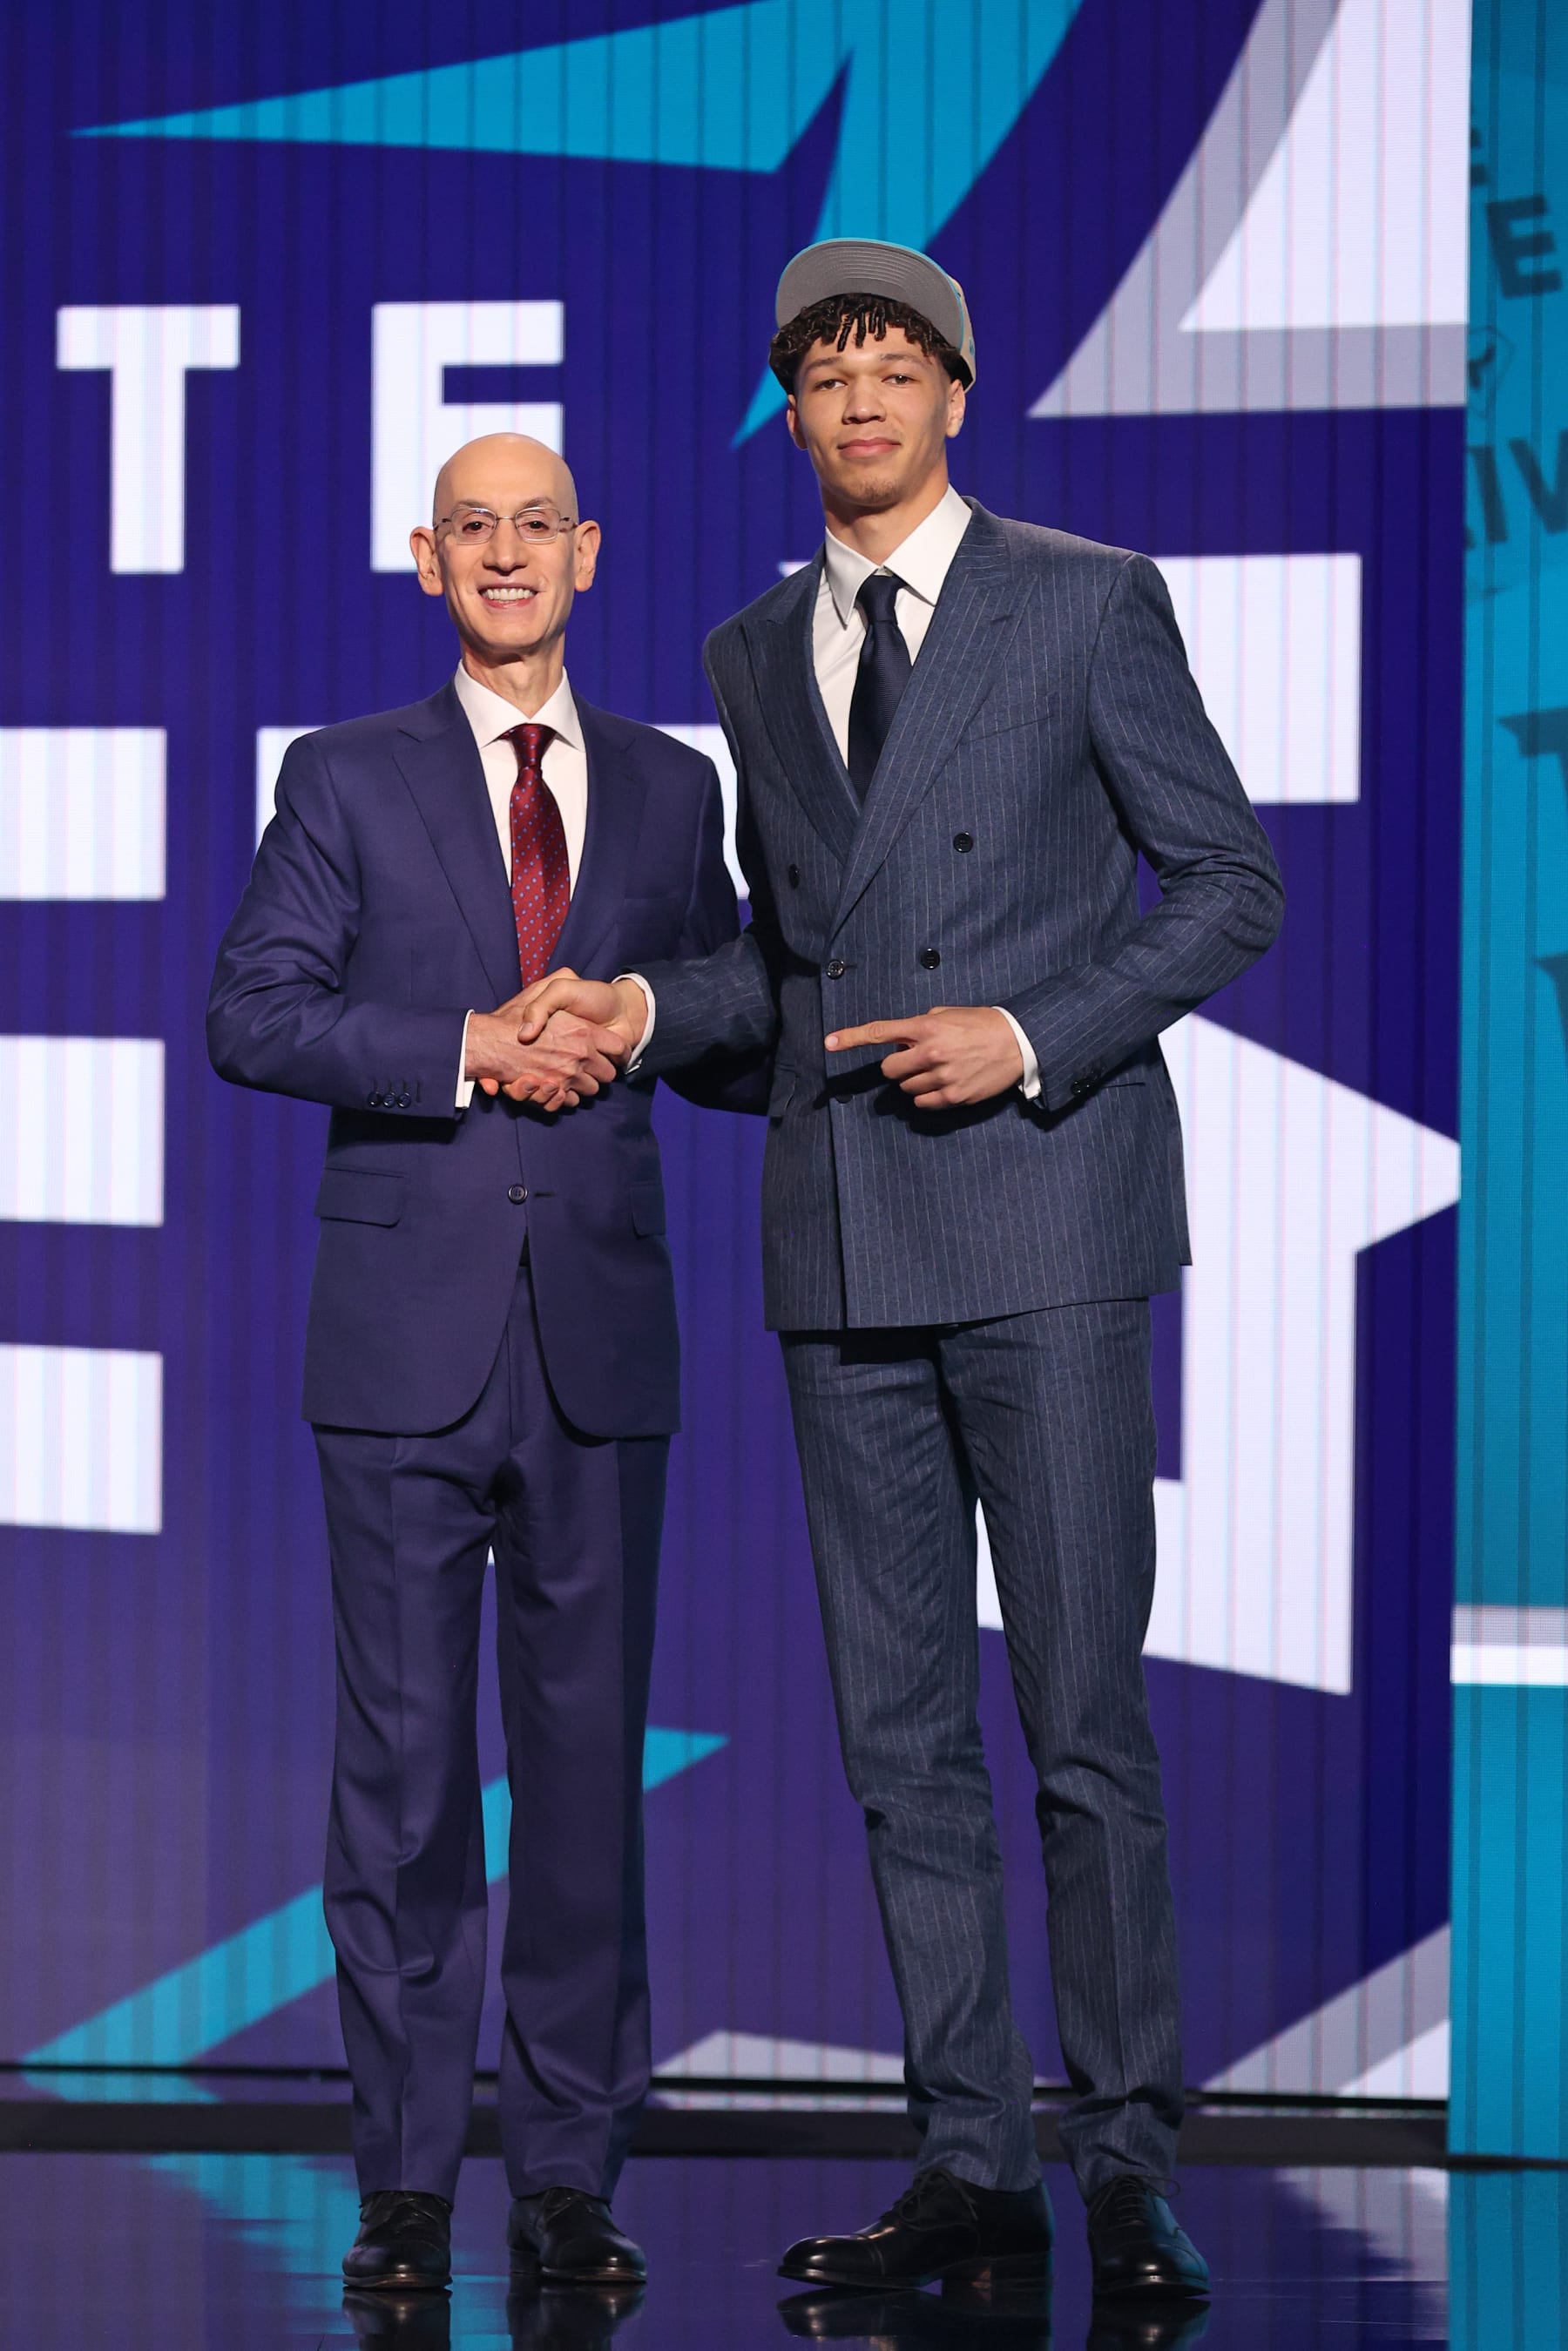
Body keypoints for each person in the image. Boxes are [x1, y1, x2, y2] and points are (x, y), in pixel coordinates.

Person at [516, 241, 1284, 2305]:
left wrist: (1032, 1034)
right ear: (793, 410)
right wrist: (641, 1013)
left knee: (1079, 1718)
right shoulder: (759, 645)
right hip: (842, 1232)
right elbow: (795, 962)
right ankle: (973, 2159)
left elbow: (1229, 881)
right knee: (897, 1734)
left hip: (1039, 1209)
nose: (857, 403)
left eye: (892, 367)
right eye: (822, 373)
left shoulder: (1084, 597)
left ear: (957, 390)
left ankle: (1128, 2157)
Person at [207, 432, 749, 2296]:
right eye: (472, 529)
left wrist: (649, 1012)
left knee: (587, 1777)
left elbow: (744, 1010)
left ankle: (572, 2180)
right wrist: (466, 1046)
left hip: (600, 1345)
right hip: (400, 1348)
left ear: (588, 554)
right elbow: (252, 1010)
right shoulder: (346, 777)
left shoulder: (679, 792)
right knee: (411, 1778)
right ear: (423, 559)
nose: (505, 555)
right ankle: (409, 2184)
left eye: (537, 526)